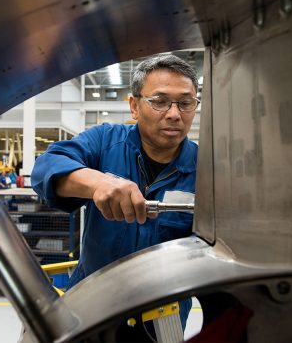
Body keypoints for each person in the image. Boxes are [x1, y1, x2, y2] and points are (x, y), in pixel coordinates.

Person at [31, 54, 199, 335]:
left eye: (185, 103)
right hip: (92, 309)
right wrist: (97, 183)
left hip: (163, 320)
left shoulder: (206, 169)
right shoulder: (104, 141)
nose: (173, 114)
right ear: (134, 106)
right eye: (159, 101)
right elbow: (46, 167)